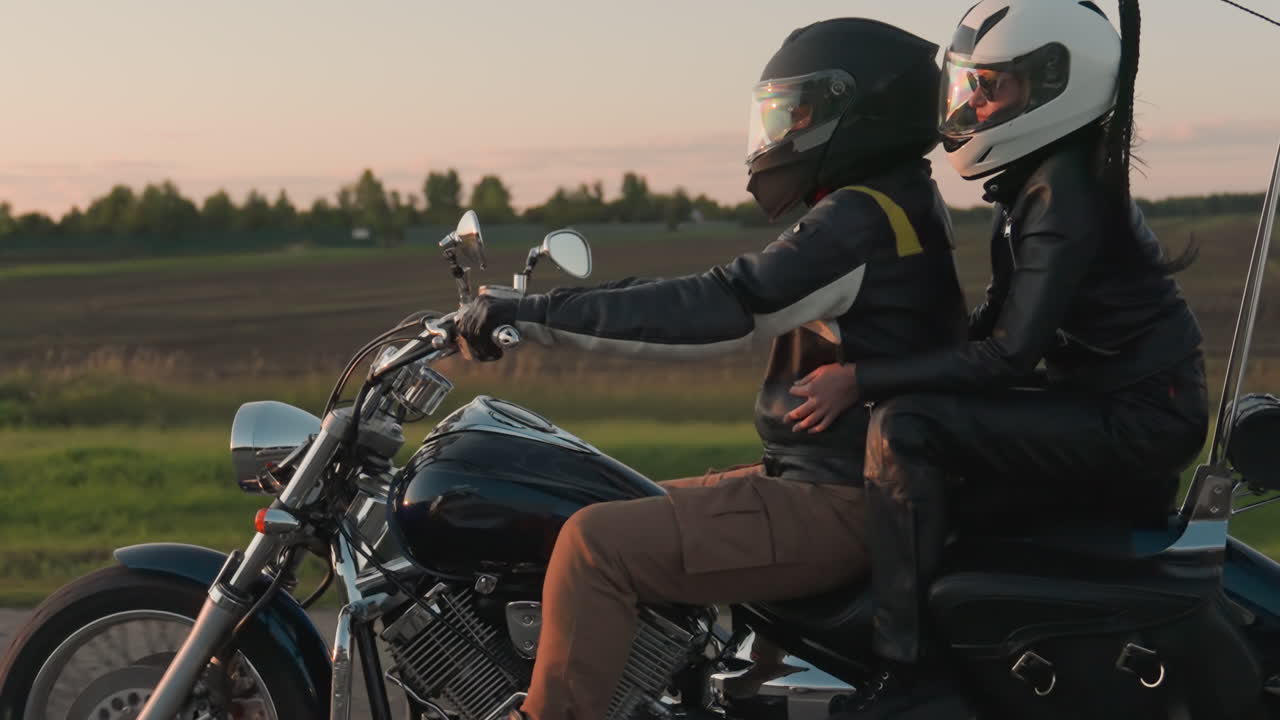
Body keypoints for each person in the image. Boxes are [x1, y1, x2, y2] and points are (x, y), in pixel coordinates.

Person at [455, 17, 970, 720]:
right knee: (578, 504)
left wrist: (536, 316)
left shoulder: (861, 220)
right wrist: (539, 307)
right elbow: (713, 291)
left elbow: (722, 308)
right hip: (837, 482)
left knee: (593, 544)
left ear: (856, 113)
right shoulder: (890, 204)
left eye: (798, 112)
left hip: (842, 500)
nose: (781, 131)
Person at [787, 0, 1209, 713]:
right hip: (1107, 402)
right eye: (970, 86)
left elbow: (1008, 356)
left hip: (1136, 420)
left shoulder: (1064, 194)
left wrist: (862, 378)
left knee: (905, 428)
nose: (974, 104)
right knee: (928, 443)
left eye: (993, 87)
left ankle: (906, 670)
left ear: (1053, 84)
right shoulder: (1039, 181)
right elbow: (991, 325)